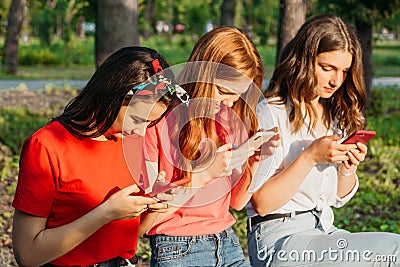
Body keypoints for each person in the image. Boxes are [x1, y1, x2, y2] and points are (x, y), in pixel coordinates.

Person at [11, 46, 188, 267]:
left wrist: (152, 208)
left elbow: (132, 234)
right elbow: (27, 255)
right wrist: (106, 212)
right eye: (138, 119)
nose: (142, 132)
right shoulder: (48, 145)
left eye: (150, 123)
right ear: (113, 96)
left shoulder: (130, 141)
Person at [247, 14, 400, 267]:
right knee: (394, 250)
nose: (336, 81)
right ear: (304, 61)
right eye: (327, 68)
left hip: (325, 230)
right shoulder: (271, 112)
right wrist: (309, 157)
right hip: (280, 240)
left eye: (344, 71)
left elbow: (337, 196)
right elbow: (262, 204)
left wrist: (346, 169)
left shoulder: (334, 115)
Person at [142, 26, 280, 267]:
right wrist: (204, 173)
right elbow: (146, 223)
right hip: (176, 247)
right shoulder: (160, 121)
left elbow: (236, 203)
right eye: (224, 91)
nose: (229, 102)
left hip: (226, 242)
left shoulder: (228, 120)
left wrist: (255, 159)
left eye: (237, 95)